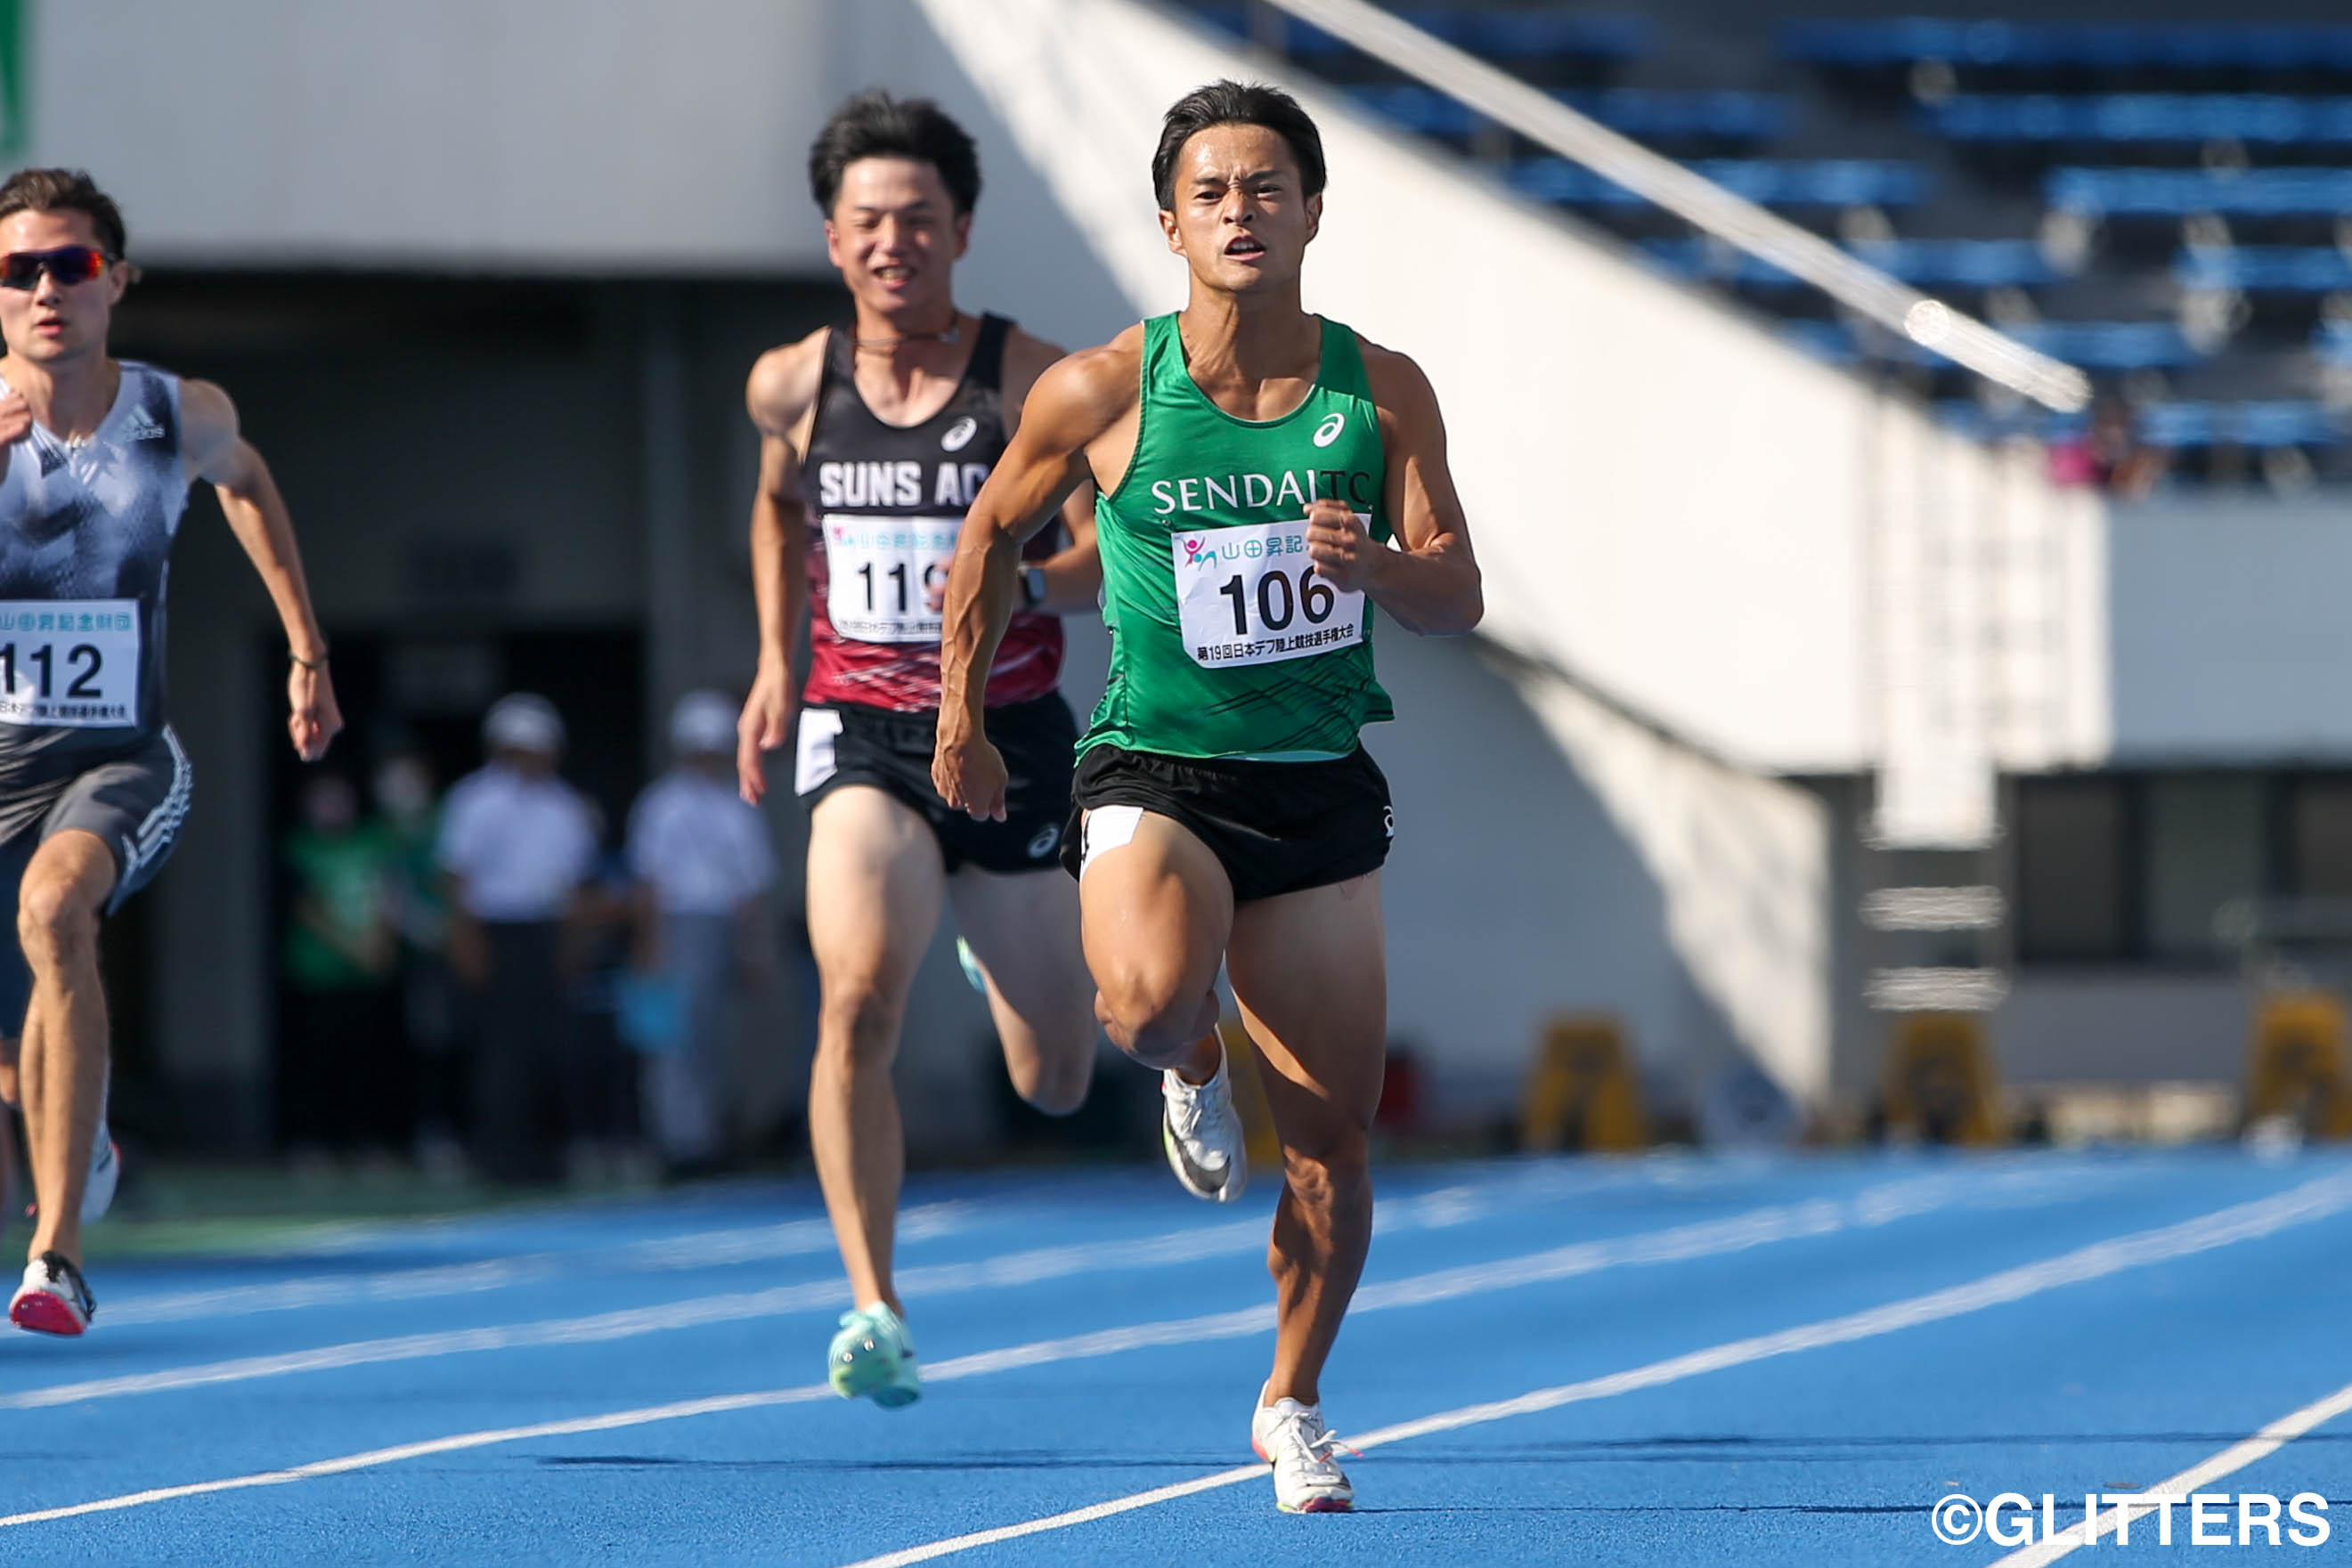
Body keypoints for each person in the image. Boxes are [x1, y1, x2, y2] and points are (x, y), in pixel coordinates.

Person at [932, 83, 1483, 1512]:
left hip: (1314, 792)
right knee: (1142, 1003)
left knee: (1333, 1153)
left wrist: (1375, 569)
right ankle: (1187, 1064)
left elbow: (1457, 595)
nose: (1242, 211)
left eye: (1267, 187)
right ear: (1170, 223)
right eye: (1213, 192)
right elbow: (988, 540)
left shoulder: (1382, 391)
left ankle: (1292, 1399)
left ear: (1312, 211)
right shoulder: (1104, 390)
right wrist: (959, 718)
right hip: (1156, 767)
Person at [733, 91, 1108, 1409]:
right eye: (869, 222)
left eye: (918, 219)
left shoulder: (1030, 378)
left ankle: (987, 942)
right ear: (834, 240)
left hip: (1007, 738)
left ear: (962, 231)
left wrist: (1014, 578)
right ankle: (874, 1303)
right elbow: (778, 509)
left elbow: (1106, 544)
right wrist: (776, 661)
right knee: (852, 1001)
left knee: (1056, 1080)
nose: (893, 243)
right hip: (862, 737)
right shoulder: (792, 382)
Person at [0, 168, 341, 1335]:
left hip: (121, 759)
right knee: (26, 1020)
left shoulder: (175, 414)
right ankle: (78, 1124)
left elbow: (247, 484)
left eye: (73, 265)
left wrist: (305, 647)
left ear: (117, 281)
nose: (48, 289)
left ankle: (55, 1255)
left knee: (56, 910)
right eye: (20, 270)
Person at [436, 693, 598, 1184]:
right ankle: (497, 1154)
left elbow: (574, 885)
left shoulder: (564, 805)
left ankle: (545, 1152)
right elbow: (457, 877)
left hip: (545, 932)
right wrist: (467, 942)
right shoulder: (475, 799)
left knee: (550, 1046)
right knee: (500, 1051)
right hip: (495, 932)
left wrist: (573, 945)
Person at [626, 689, 777, 1177]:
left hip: (723, 929)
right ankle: (678, 1142)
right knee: (675, 1040)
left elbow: (752, 889)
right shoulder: (660, 805)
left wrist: (754, 950)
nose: (707, 758)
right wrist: (648, 945)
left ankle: (709, 1137)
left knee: (717, 1037)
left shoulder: (739, 804)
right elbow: (648, 882)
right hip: (675, 927)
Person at [278, 770, 404, 1162]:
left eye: (340, 798)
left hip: (369, 974)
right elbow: (305, 908)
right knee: (318, 1062)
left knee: (370, 1062)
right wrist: (353, 949)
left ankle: (369, 1141)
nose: (334, 808)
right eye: (324, 799)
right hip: (319, 974)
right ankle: (313, 1141)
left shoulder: (374, 841)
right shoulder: (298, 847)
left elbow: (389, 894)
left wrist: (379, 944)